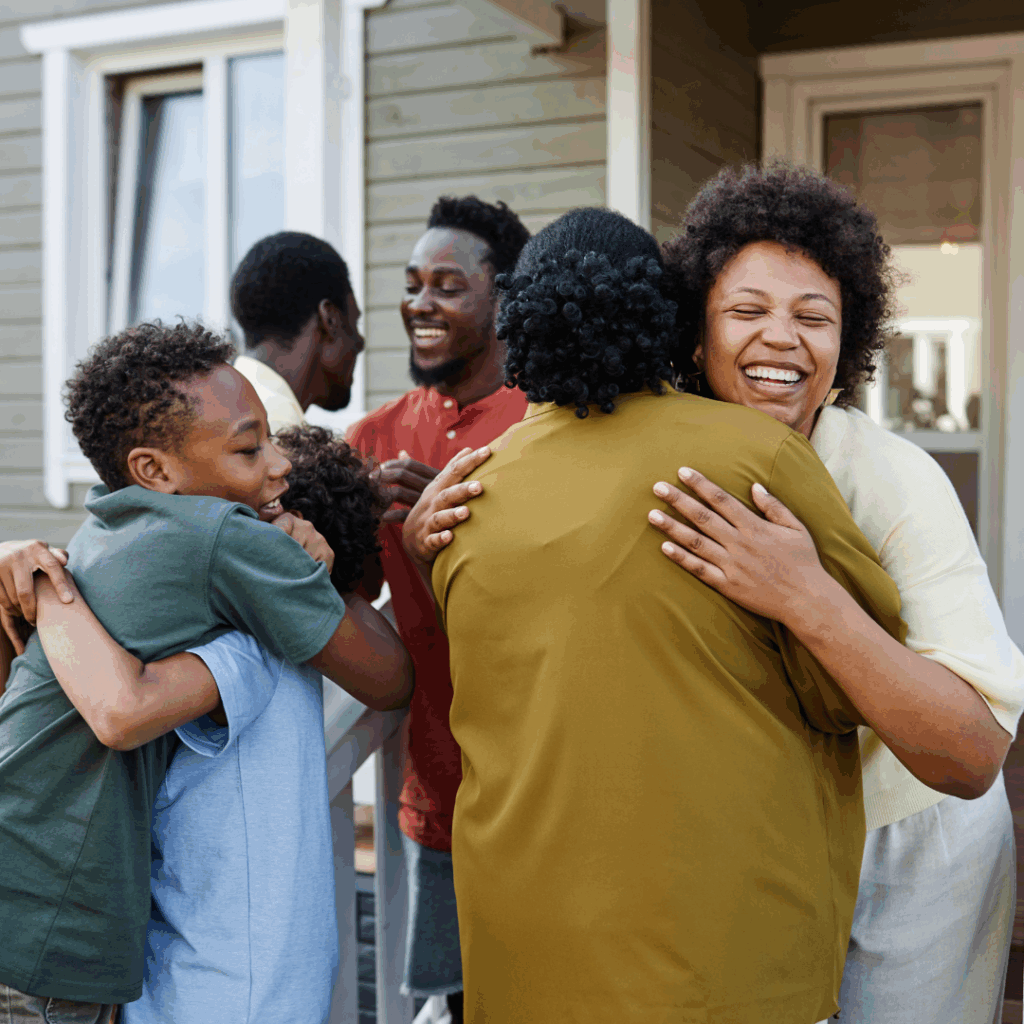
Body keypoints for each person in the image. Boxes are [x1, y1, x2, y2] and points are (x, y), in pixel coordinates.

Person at [406, 206, 907, 1023]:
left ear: (517, 323)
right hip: (723, 962)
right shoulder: (756, 456)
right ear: (672, 322)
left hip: (521, 957)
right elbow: (857, 685)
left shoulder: (466, 493)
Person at [644, 163, 1021, 1023]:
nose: (783, 338)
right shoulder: (655, 452)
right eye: (747, 311)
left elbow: (970, 753)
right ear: (694, 338)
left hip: (908, 838)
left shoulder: (895, 480)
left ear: (846, 349)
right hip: (751, 834)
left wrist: (805, 595)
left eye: (814, 317)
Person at [0, 322, 412, 1022]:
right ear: (154, 470)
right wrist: (318, 577)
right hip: (50, 925)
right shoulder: (228, 539)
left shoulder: (106, 530)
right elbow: (390, 679)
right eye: (249, 449)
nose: (277, 465)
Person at [346, 195, 530, 1020]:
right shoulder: (373, 438)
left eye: (448, 285)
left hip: (547, 786)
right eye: (413, 282)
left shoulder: (545, 423)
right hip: (441, 788)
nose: (420, 303)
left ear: (504, 297)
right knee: (457, 1005)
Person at [231, 231, 365, 433]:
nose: (359, 342)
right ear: (330, 320)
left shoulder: (225, 406)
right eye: (354, 322)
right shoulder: (279, 434)